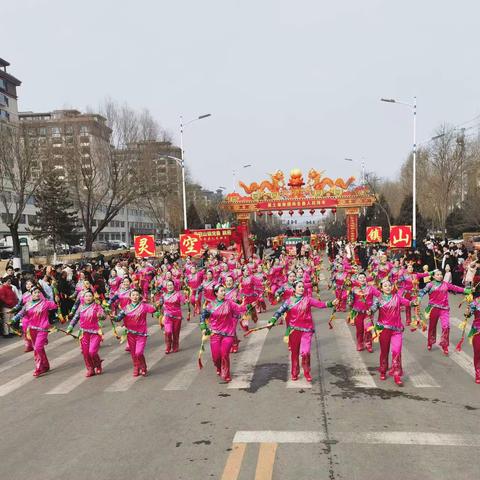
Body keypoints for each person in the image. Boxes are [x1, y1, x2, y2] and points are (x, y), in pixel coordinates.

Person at [269, 281, 337, 382]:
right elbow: (279, 311)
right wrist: (272, 320)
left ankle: (306, 371)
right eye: (299, 287)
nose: (301, 288)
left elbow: (321, 304)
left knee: (305, 353)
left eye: (302, 287)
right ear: (294, 289)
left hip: (306, 330)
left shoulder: (308, 299)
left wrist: (331, 303)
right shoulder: (288, 301)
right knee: (294, 353)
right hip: (293, 330)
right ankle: (294, 372)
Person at [370, 280, 417, 386]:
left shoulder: (397, 297)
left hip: (397, 330)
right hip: (384, 329)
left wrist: (413, 302)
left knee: (397, 351)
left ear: (392, 287)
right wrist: (370, 310)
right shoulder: (379, 299)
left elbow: (407, 302)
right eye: (385, 286)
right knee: (384, 351)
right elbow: (373, 308)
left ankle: (396, 374)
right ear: (381, 288)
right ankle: (383, 370)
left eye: (389, 285)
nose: (387, 287)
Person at [200, 284, 247, 382]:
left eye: (224, 290)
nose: (224, 292)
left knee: (225, 354)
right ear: (216, 293)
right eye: (221, 291)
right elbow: (203, 316)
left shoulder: (229, 303)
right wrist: (203, 326)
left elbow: (240, 308)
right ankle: (218, 367)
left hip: (228, 333)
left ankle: (226, 373)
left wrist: (250, 304)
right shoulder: (211, 305)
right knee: (216, 357)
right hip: (215, 334)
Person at [10, 286, 58, 377]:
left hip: (42, 329)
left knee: (37, 348)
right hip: (32, 329)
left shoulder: (46, 303)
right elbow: (21, 313)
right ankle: (46, 365)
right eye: (35, 293)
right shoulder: (27, 304)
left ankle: (39, 368)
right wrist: (12, 320)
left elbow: (56, 306)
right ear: (31, 295)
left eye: (38, 292)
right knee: (39, 348)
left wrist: (57, 300)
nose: (37, 294)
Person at [419, 269, 469, 355]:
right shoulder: (430, 285)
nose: (440, 276)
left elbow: (455, 288)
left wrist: (465, 290)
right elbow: (422, 291)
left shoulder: (446, 284)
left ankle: (445, 345)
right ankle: (430, 342)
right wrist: (419, 297)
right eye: (437, 275)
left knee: (446, 327)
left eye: (441, 274)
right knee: (432, 326)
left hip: (444, 309)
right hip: (433, 308)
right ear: (434, 276)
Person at [113, 289, 157, 377]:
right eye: (133, 295)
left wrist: (158, 304)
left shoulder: (144, 306)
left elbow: (154, 310)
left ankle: (143, 367)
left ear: (139, 296)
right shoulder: (126, 308)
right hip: (130, 334)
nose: (135, 297)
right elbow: (118, 318)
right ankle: (136, 367)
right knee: (133, 353)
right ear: (130, 297)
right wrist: (112, 317)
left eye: (137, 295)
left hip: (141, 334)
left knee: (139, 352)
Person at [66, 290, 106, 377]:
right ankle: (90, 369)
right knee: (85, 353)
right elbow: (75, 318)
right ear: (83, 298)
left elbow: (103, 316)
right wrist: (70, 327)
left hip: (95, 333)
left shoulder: (97, 306)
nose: (88, 298)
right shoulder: (80, 307)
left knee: (92, 352)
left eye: (90, 296)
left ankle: (98, 364)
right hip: (84, 333)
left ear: (93, 297)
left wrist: (101, 315)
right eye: (86, 296)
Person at [158, 280, 186, 354]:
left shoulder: (178, 294)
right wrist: (159, 303)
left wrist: (186, 300)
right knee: (168, 332)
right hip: (167, 317)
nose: (170, 286)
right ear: (166, 287)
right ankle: (168, 346)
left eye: (171, 285)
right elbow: (160, 303)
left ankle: (175, 346)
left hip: (177, 317)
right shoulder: (163, 295)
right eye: (168, 285)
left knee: (176, 333)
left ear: (173, 286)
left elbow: (184, 302)